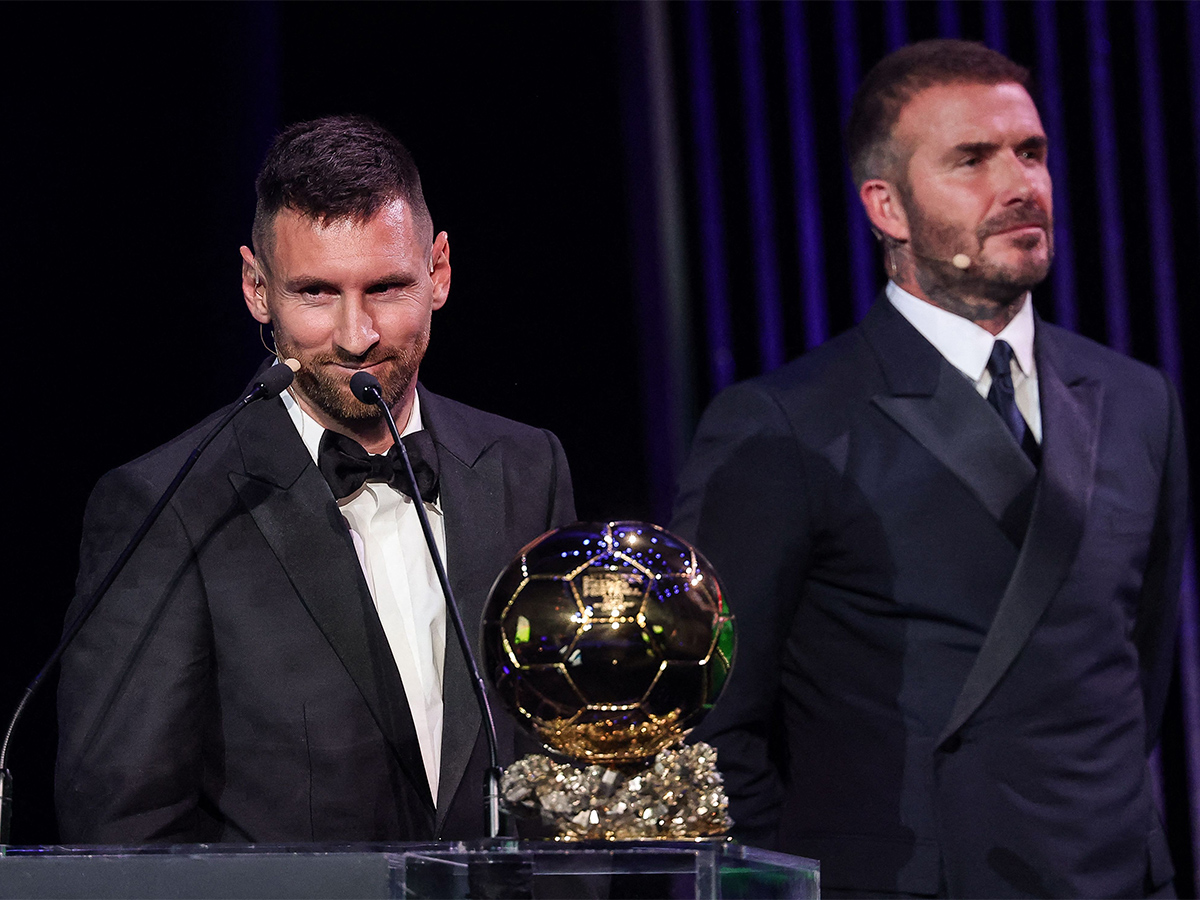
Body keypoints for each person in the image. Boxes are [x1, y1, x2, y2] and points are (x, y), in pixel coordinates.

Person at [673, 40, 1185, 898]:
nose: (1020, 183)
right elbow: (716, 723)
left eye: (1032, 152)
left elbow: (1145, 661)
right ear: (888, 207)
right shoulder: (786, 422)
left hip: (1114, 875)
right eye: (972, 160)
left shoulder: (1137, 400)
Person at [56, 116, 575, 843]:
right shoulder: (164, 507)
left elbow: (570, 770)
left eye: (388, 286)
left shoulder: (527, 467)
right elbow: (124, 834)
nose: (357, 335)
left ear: (440, 272)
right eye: (316, 294)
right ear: (256, 289)